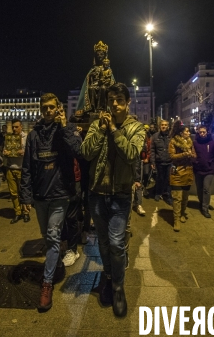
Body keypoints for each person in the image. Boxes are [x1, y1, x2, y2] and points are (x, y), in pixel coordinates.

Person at [81, 82, 145, 317]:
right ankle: (108, 279)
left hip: (120, 196)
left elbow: (130, 154)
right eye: (111, 100)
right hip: (97, 193)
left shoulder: (137, 128)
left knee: (117, 243)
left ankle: (118, 287)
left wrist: (113, 131)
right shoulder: (98, 125)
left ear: (128, 102)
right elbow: (86, 153)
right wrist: (100, 129)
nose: (114, 104)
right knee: (104, 243)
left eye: (119, 99)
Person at [20, 93, 82, 310]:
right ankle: (53, 264)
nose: (48, 111)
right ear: (40, 109)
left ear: (58, 108)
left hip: (60, 194)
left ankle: (47, 284)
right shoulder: (34, 135)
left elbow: (78, 150)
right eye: (44, 107)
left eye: (52, 107)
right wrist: (25, 195)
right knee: (47, 236)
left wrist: (65, 126)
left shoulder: (66, 130)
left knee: (53, 235)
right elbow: (26, 167)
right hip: (40, 196)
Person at [168, 121, 196, 231]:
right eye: (187, 131)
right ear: (181, 133)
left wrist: (192, 155)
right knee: (177, 198)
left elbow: (194, 155)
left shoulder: (190, 142)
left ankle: (182, 213)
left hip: (188, 173)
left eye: (189, 131)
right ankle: (176, 220)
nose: (189, 133)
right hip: (177, 173)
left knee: (185, 197)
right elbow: (172, 156)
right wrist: (185, 154)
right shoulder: (173, 142)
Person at [192, 125, 214, 219]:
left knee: (206, 189)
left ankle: (205, 208)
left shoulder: (212, 143)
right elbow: (192, 155)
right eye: (200, 132)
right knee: (199, 189)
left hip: (209, 170)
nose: (202, 134)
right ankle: (203, 203)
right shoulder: (195, 143)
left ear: (207, 132)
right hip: (198, 170)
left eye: (204, 132)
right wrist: (195, 163)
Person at [4, 119, 29, 223]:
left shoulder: (26, 137)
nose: (14, 129)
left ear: (21, 127)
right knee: (13, 193)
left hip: (21, 168)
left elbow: (31, 152)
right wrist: (5, 152)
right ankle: (17, 213)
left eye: (16, 127)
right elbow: (5, 150)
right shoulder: (9, 138)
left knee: (23, 192)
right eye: (13, 127)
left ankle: (26, 212)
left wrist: (25, 152)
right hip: (10, 167)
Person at [151, 120, 172, 204]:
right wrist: (152, 162)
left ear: (168, 126)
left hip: (169, 162)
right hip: (159, 162)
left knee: (169, 180)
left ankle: (168, 195)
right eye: (162, 125)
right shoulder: (155, 136)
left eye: (165, 125)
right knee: (159, 178)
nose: (164, 126)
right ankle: (158, 193)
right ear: (160, 126)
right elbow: (152, 150)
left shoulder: (171, 136)